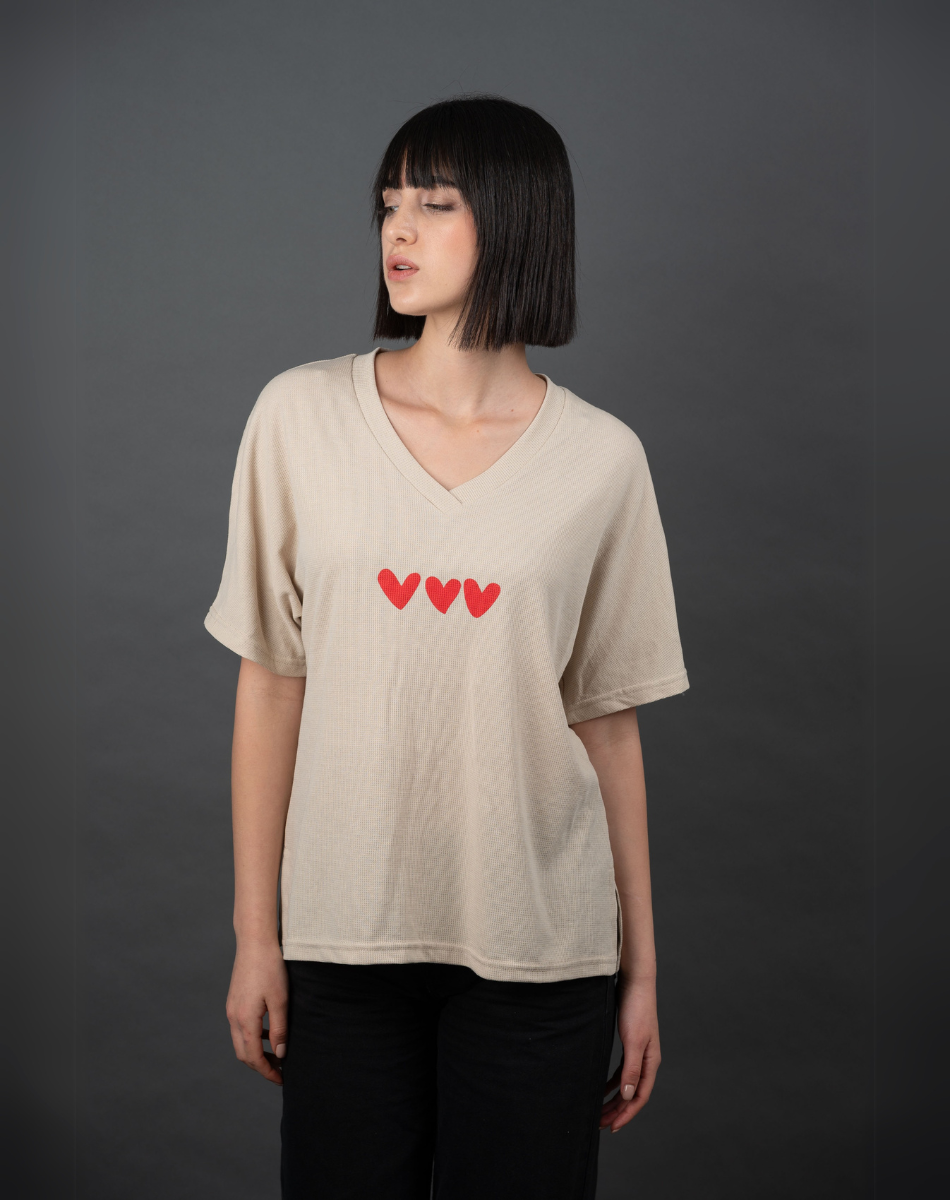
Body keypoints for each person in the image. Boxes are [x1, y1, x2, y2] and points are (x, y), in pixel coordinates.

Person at [204, 94, 688, 1200]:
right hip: (342, 940)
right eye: (389, 203)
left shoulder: (602, 460)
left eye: (434, 203)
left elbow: (606, 723)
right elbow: (270, 685)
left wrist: (642, 973)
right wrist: (255, 935)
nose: (398, 230)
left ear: (517, 219)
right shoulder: (298, 418)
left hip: (541, 952)